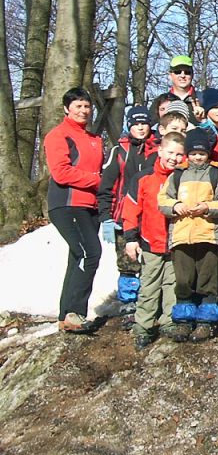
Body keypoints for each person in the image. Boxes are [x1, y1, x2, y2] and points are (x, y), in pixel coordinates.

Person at [159, 128, 218, 343]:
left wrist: (207, 207)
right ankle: (183, 322)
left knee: (207, 278)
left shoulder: (216, 174)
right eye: (193, 153)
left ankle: (205, 322)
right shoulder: (177, 175)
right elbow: (163, 200)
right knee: (183, 280)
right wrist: (176, 205)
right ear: (187, 154)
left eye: (201, 153)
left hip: (209, 234)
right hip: (182, 235)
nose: (197, 157)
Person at [45, 88, 104, 334]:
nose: (83, 111)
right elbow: (61, 172)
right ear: (66, 109)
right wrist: (97, 180)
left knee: (76, 257)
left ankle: (65, 315)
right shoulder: (58, 135)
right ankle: (75, 312)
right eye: (78, 106)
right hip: (67, 204)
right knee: (90, 253)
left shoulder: (95, 139)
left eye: (87, 106)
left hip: (91, 206)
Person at [123, 131, 186, 349]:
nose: (174, 158)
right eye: (170, 153)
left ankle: (168, 320)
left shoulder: (184, 178)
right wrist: (130, 238)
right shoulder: (144, 178)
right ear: (160, 151)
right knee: (149, 285)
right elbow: (130, 209)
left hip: (177, 242)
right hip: (151, 241)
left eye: (179, 154)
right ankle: (144, 325)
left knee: (173, 284)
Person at [97, 105, 157, 328]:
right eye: (136, 124)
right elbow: (107, 187)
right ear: (129, 125)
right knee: (128, 263)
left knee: (151, 262)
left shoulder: (158, 149)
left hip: (151, 217)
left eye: (144, 123)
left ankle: (150, 301)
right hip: (124, 217)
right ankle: (129, 304)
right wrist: (106, 216)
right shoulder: (119, 152)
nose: (141, 128)